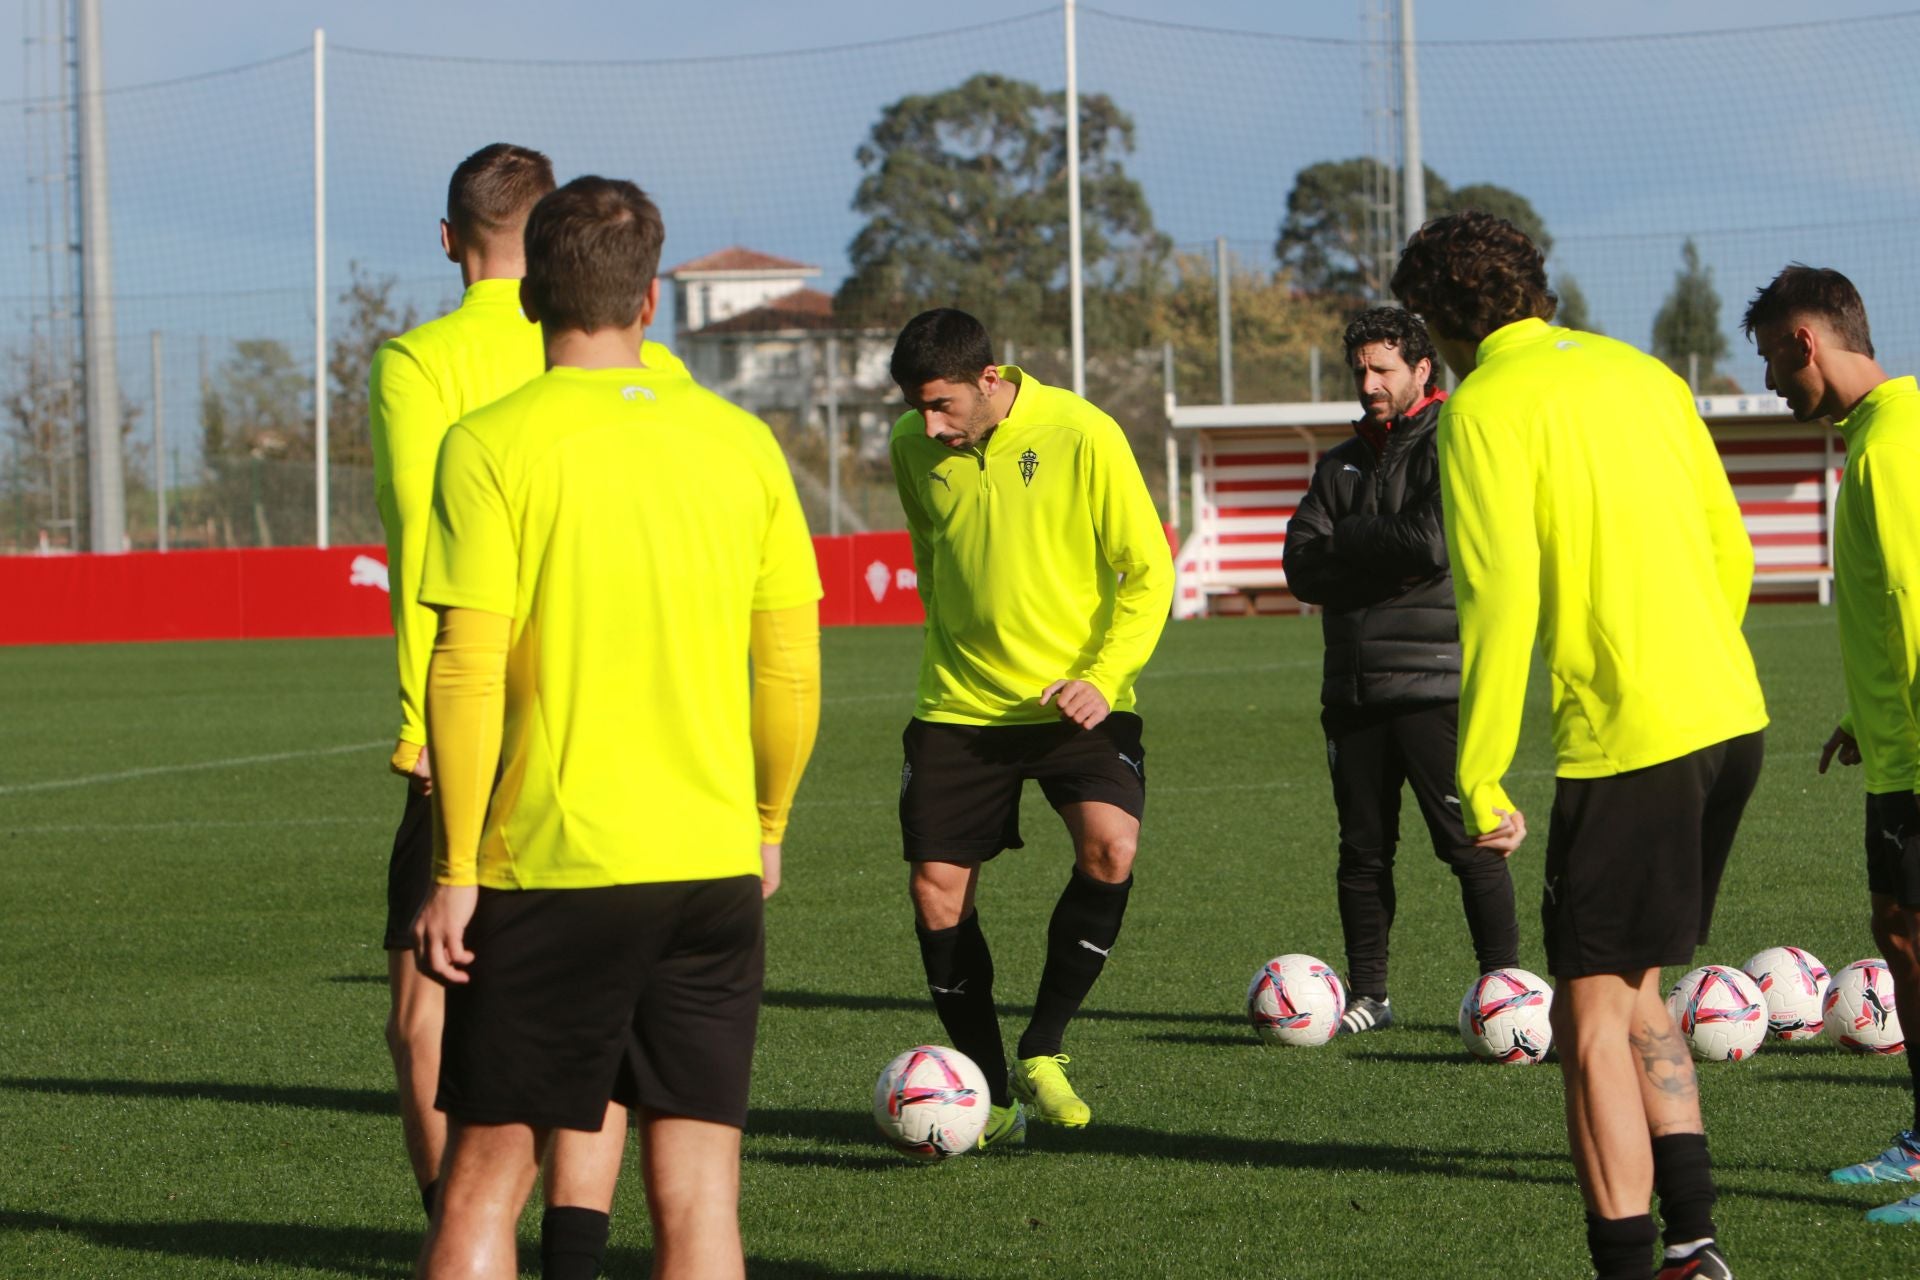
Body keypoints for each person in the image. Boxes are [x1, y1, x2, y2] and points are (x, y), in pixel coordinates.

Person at [410, 175, 822, 1280]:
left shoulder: (489, 442)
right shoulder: (741, 443)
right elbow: (788, 668)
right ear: (649, 302)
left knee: (484, 1184)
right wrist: (766, 818)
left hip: (553, 862)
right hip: (710, 866)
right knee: (699, 1201)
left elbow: (465, 664)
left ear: (535, 294)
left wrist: (454, 866)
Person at [1391, 211, 1767, 1280]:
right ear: (1536, 285)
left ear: (1436, 324)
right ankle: (1694, 1240)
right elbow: (1728, 548)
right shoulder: (1644, 373)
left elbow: (1499, 604)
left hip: (1632, 742)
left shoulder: (1479, 412)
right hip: (1730, 718)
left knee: (1588, 1014)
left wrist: (1475, 768)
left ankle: (1629, 1263)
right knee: (1637, 987)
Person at [369, 142, 692, 1280]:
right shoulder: (642, 365)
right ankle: (573, 1251)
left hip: (462, 731)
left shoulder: (418, 363)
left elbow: (426, 536)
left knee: (426, 1010)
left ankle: (461, 1224)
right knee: (604, 1018)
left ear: (451, 237)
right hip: (635, 734)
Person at [887, 308, 1173, 1143]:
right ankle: (989, 1095)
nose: (928, 426)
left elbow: (1146, 572)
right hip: (959, 704)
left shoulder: (1083, 433)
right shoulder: (915, 445)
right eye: (916, 408)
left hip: (1076, 696)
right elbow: (931, 555)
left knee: (1111, 846)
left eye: (942, 405)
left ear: (990, 379)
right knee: (937, 895)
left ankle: (1043, 1048)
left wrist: (1102, 677)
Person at [1282, 305, 1519, 1035]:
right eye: (1359, 368)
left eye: (1382, 367)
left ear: (1422, 369)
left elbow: (1428, 544)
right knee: (1361, 852)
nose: (1368, 381)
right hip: (1351, 689)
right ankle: (1371, 996)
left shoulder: (1455, 441)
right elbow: (1299, 564)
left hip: (1432, 682)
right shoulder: (1340, 461)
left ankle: (1506, 993)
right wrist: (1364, 554)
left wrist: (1348, 539)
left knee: (1469, 844)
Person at [1744, 265, 1920, 1226]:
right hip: (1896, 752)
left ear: (1808, 341)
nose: (1773, 381)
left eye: (1775, 357)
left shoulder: (1896, 449)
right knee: (1900, 942)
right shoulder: (1876, 440)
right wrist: (1866, 715)